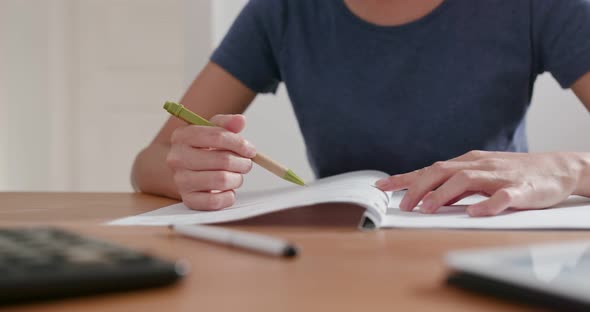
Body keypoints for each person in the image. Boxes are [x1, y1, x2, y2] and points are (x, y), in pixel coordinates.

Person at [132, 0, 590, 217]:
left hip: (486, 248)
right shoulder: (281, 11)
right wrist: (193, 172)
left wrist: (568, 169)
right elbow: (150, 162)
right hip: (336, 256)